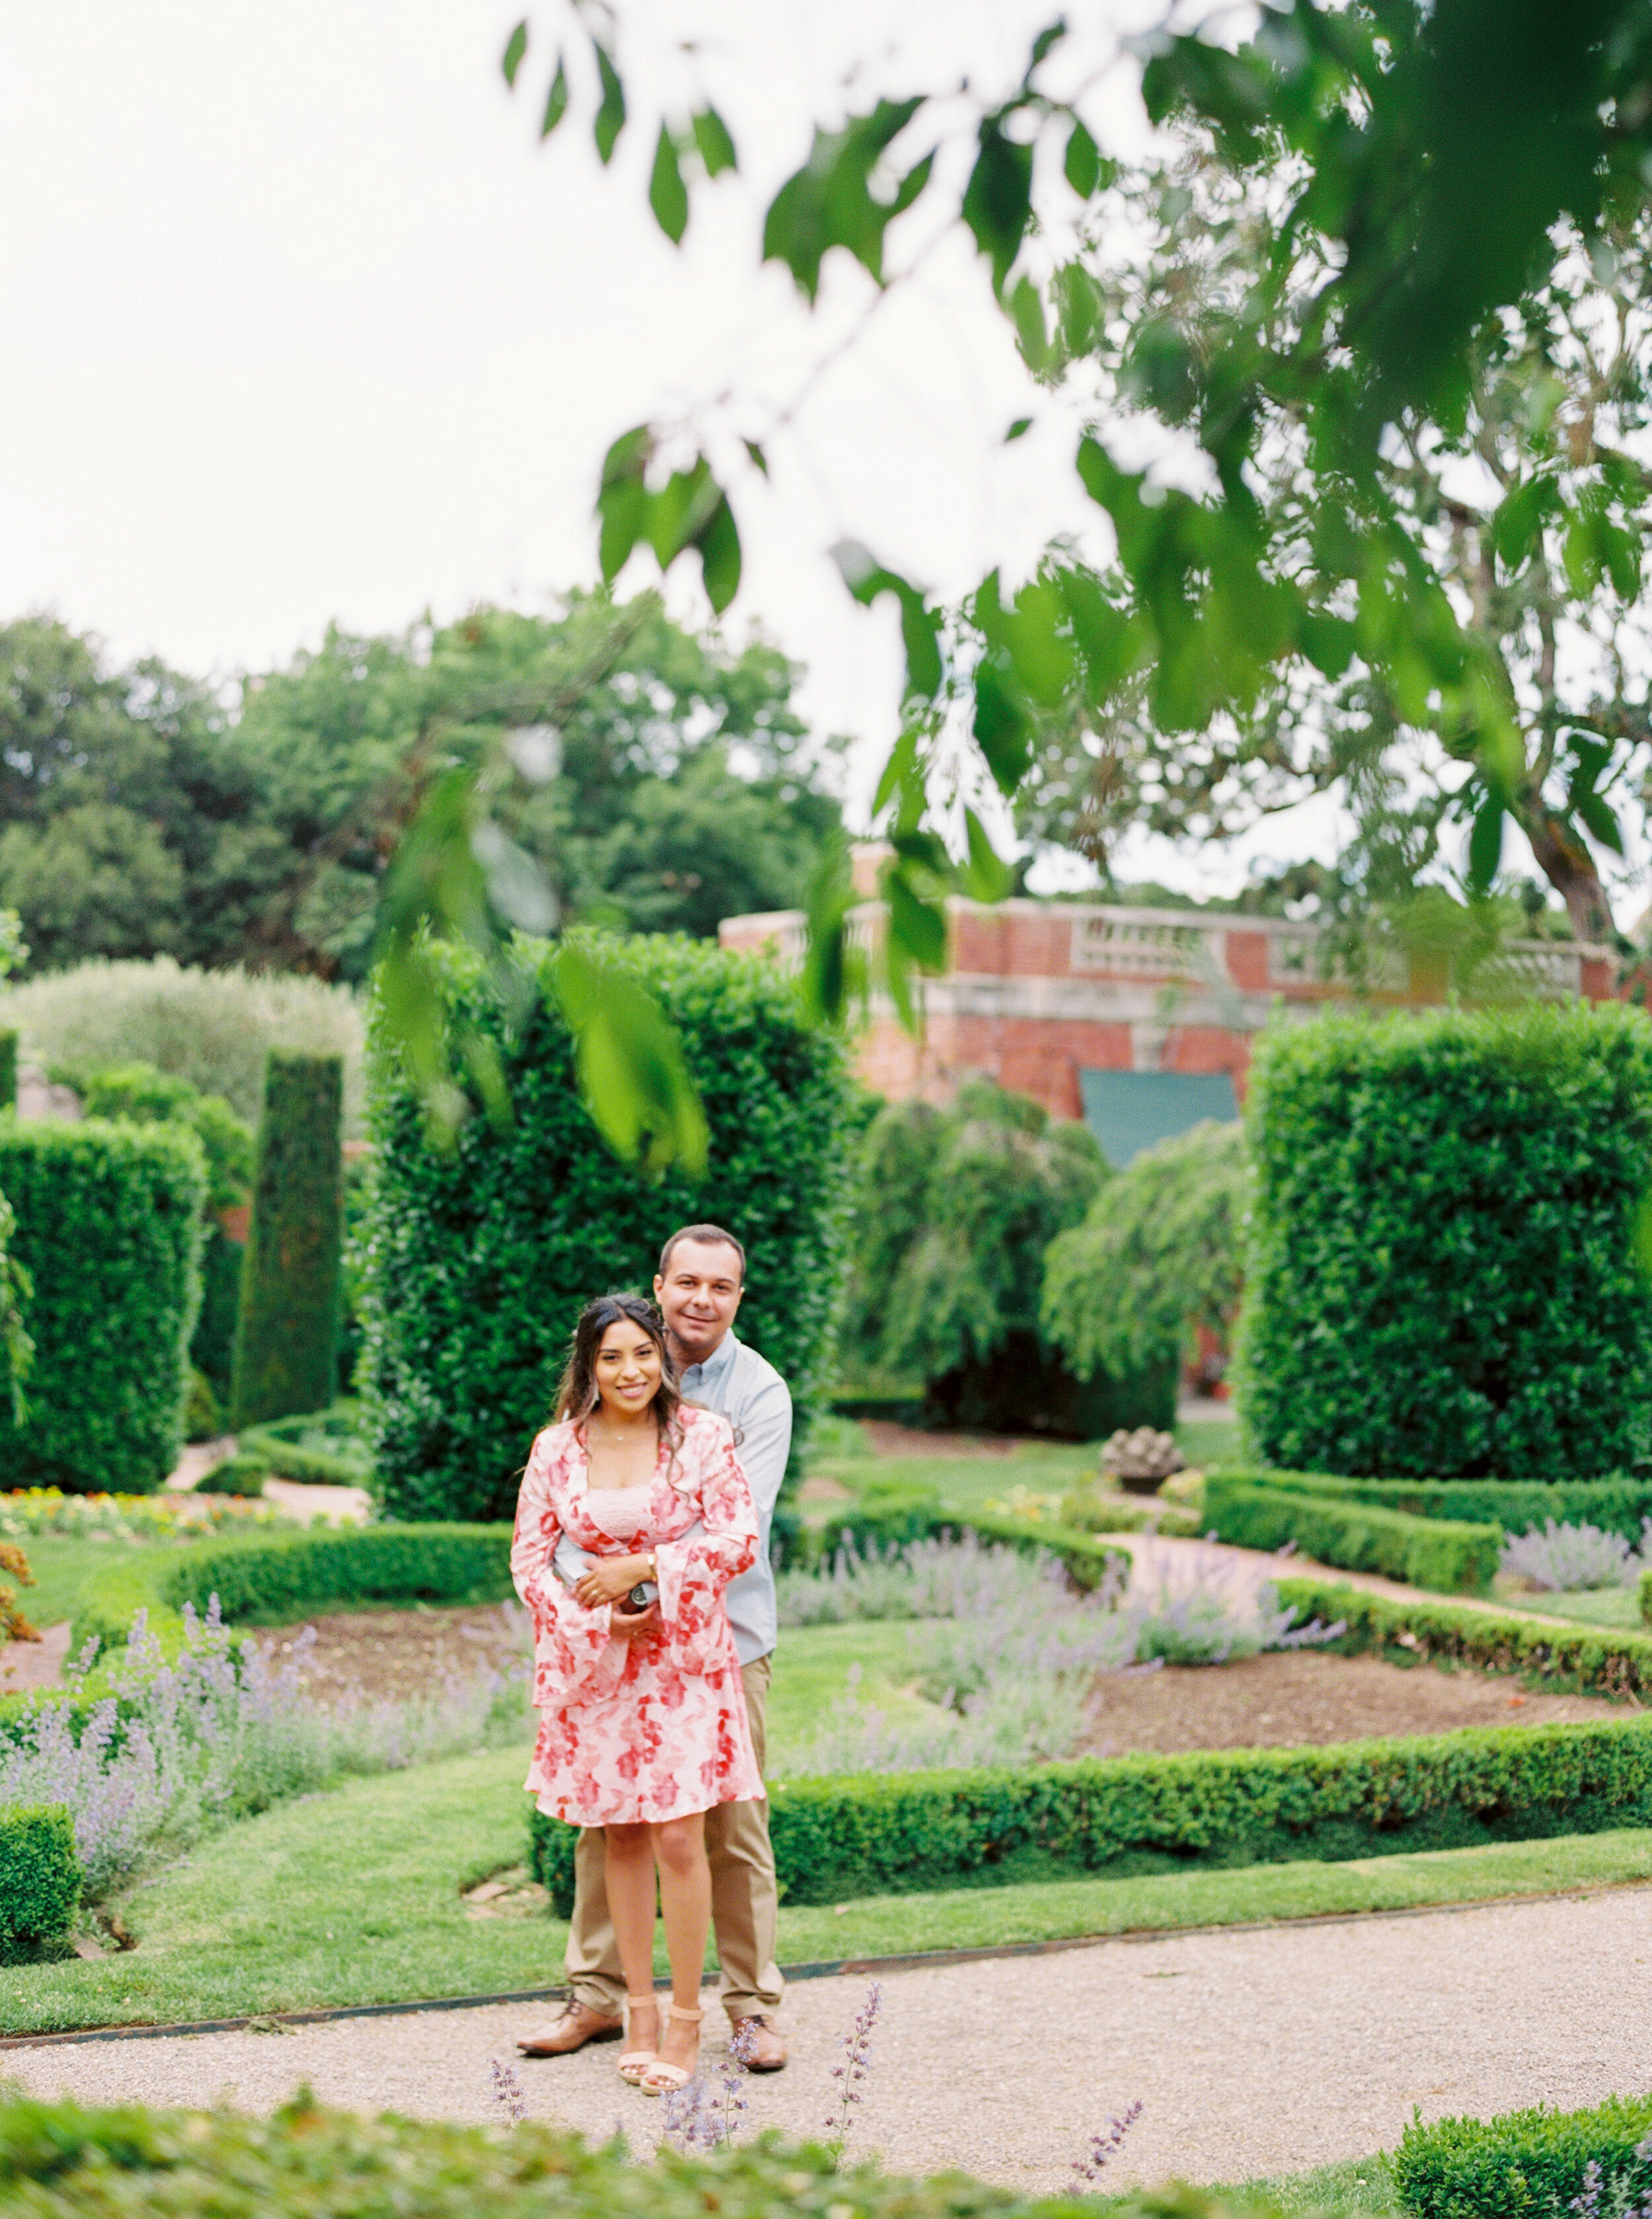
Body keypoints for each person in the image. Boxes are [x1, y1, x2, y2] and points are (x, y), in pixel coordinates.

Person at [520, 1222, 793, 2072]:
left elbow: (738, 1522)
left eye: (720, 1286)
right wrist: (596, 1606)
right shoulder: (581, 1419)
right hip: (606, 1658)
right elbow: (548, 1537)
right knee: (611, 1830)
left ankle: (746, 2008)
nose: (701, 1299)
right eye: (688, 1283)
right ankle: (603, 1999)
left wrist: (645, 1575)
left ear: (738, 1297)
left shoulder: (752, 1398)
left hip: (719, 1645)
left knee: (725, 1830)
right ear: (661, 1287)